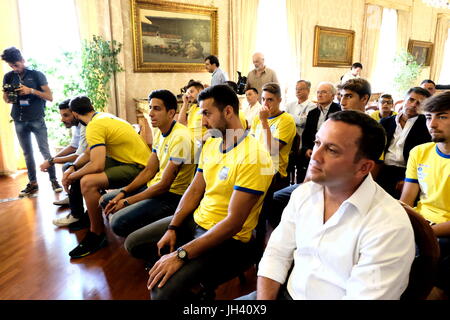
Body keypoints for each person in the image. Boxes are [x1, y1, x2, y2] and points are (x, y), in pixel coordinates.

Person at [242, 110, 415, 300]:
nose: (315, 156)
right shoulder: (304, 193)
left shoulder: (389, 225)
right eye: (317, 143)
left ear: (364, 167)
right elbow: (277, 254)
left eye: (332, 150)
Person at [124, 85, 274, 300]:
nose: (202, 121)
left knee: (161, 293)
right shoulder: (212, 143)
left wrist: (181, 254)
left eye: (207, 113)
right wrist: (173, 226)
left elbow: (233, 223)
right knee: (134, 243)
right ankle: (192, 285)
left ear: (228, 111)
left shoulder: (255, 156)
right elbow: (195, 190)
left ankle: (194, 289)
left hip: (229, 238)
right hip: (197, 220)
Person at [62, 96, 151, 259]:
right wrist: (74, 167)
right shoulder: (100, 118)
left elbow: (97, 165)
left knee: (87, 182)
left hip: (139, 167)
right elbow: (89, 153)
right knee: (82, 171)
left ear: (75, 114)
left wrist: (71, 176)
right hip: (128, 160)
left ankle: (97, 234)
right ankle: (89, 216)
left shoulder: (94, 126)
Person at [99, 90, 195, 238]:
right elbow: (149, 170)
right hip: (155, 186)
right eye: (150, 107)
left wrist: (126, 202)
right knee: (106, 200)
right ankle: (140, 229)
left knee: (118, 222)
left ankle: (148, 241)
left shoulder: (181, 137)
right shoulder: (159, 131)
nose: (150, 113)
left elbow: (164, 186)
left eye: (156, 108)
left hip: (172, 196)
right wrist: (123, 192)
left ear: (171, 113)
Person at [401, 91, 450, 299]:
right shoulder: (420, 152)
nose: (432, 124)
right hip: (420, 221)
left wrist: (426, 232)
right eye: (429, 117)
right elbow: (405, 202)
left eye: (442, 116)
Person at [1, 46, 62, 196]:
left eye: (16, 64)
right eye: (11, 66)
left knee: (44, 150)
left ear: (22, 60)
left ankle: (54, 180)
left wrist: (31, 91)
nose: (14, 68)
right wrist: (9, 96)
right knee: (27, 153)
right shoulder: (8, 77)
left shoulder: (36, 75)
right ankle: (33, 183)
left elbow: (49, 96)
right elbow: (6, 98)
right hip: (19, 119)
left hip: (36, 118)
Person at [376, 87, 431, 199]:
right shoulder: (385, 122)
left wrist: (408, 178)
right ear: (403, 100)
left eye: (419, 103)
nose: (414, 105)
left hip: (406, 171)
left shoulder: (426, 126)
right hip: (383, 169)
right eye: (411, 100)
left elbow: (425, 158)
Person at [298, 82, 341, 182]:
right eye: (318, 92)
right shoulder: (313, 112)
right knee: (301, 159)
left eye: (323, 92)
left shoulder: (338, 111)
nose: (319, 95)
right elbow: (306, 134)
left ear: (332, 95)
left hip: (329, 149)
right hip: (312, 148)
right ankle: (301, 188)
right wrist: (307, 148)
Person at [284, 80, 316, 146]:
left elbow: (303, 121)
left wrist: (286, 115)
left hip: (302, 140)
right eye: (296, 89)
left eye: (301, 89)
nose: (297, 91)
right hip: (287, 136)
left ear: (308, 91)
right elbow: (283, 120)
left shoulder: (312, 106)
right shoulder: (289, 105)